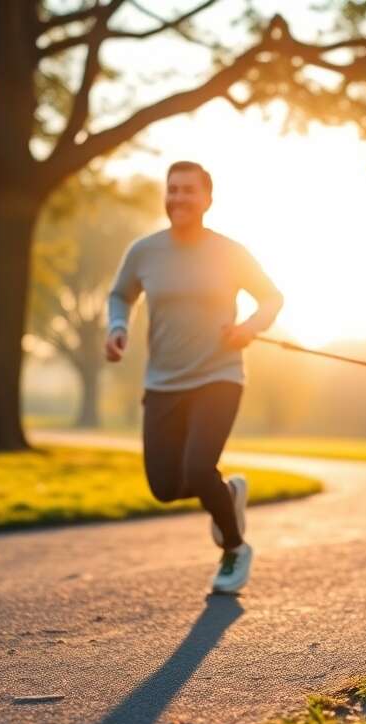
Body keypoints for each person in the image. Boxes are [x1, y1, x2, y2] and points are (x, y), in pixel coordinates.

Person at [105, 160, 283, 593]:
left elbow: (271, 298)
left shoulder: (229, 251)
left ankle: (236, 550)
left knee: (198, 467)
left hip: (218, 375)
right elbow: (120, 293)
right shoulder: (145, 251)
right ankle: (228, 496)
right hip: (163, 382)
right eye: (173, 189)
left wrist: (248, 329)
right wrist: (117, 326)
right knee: (165, 487)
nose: (178, 197)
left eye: (188, 190)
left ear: (207, 199)